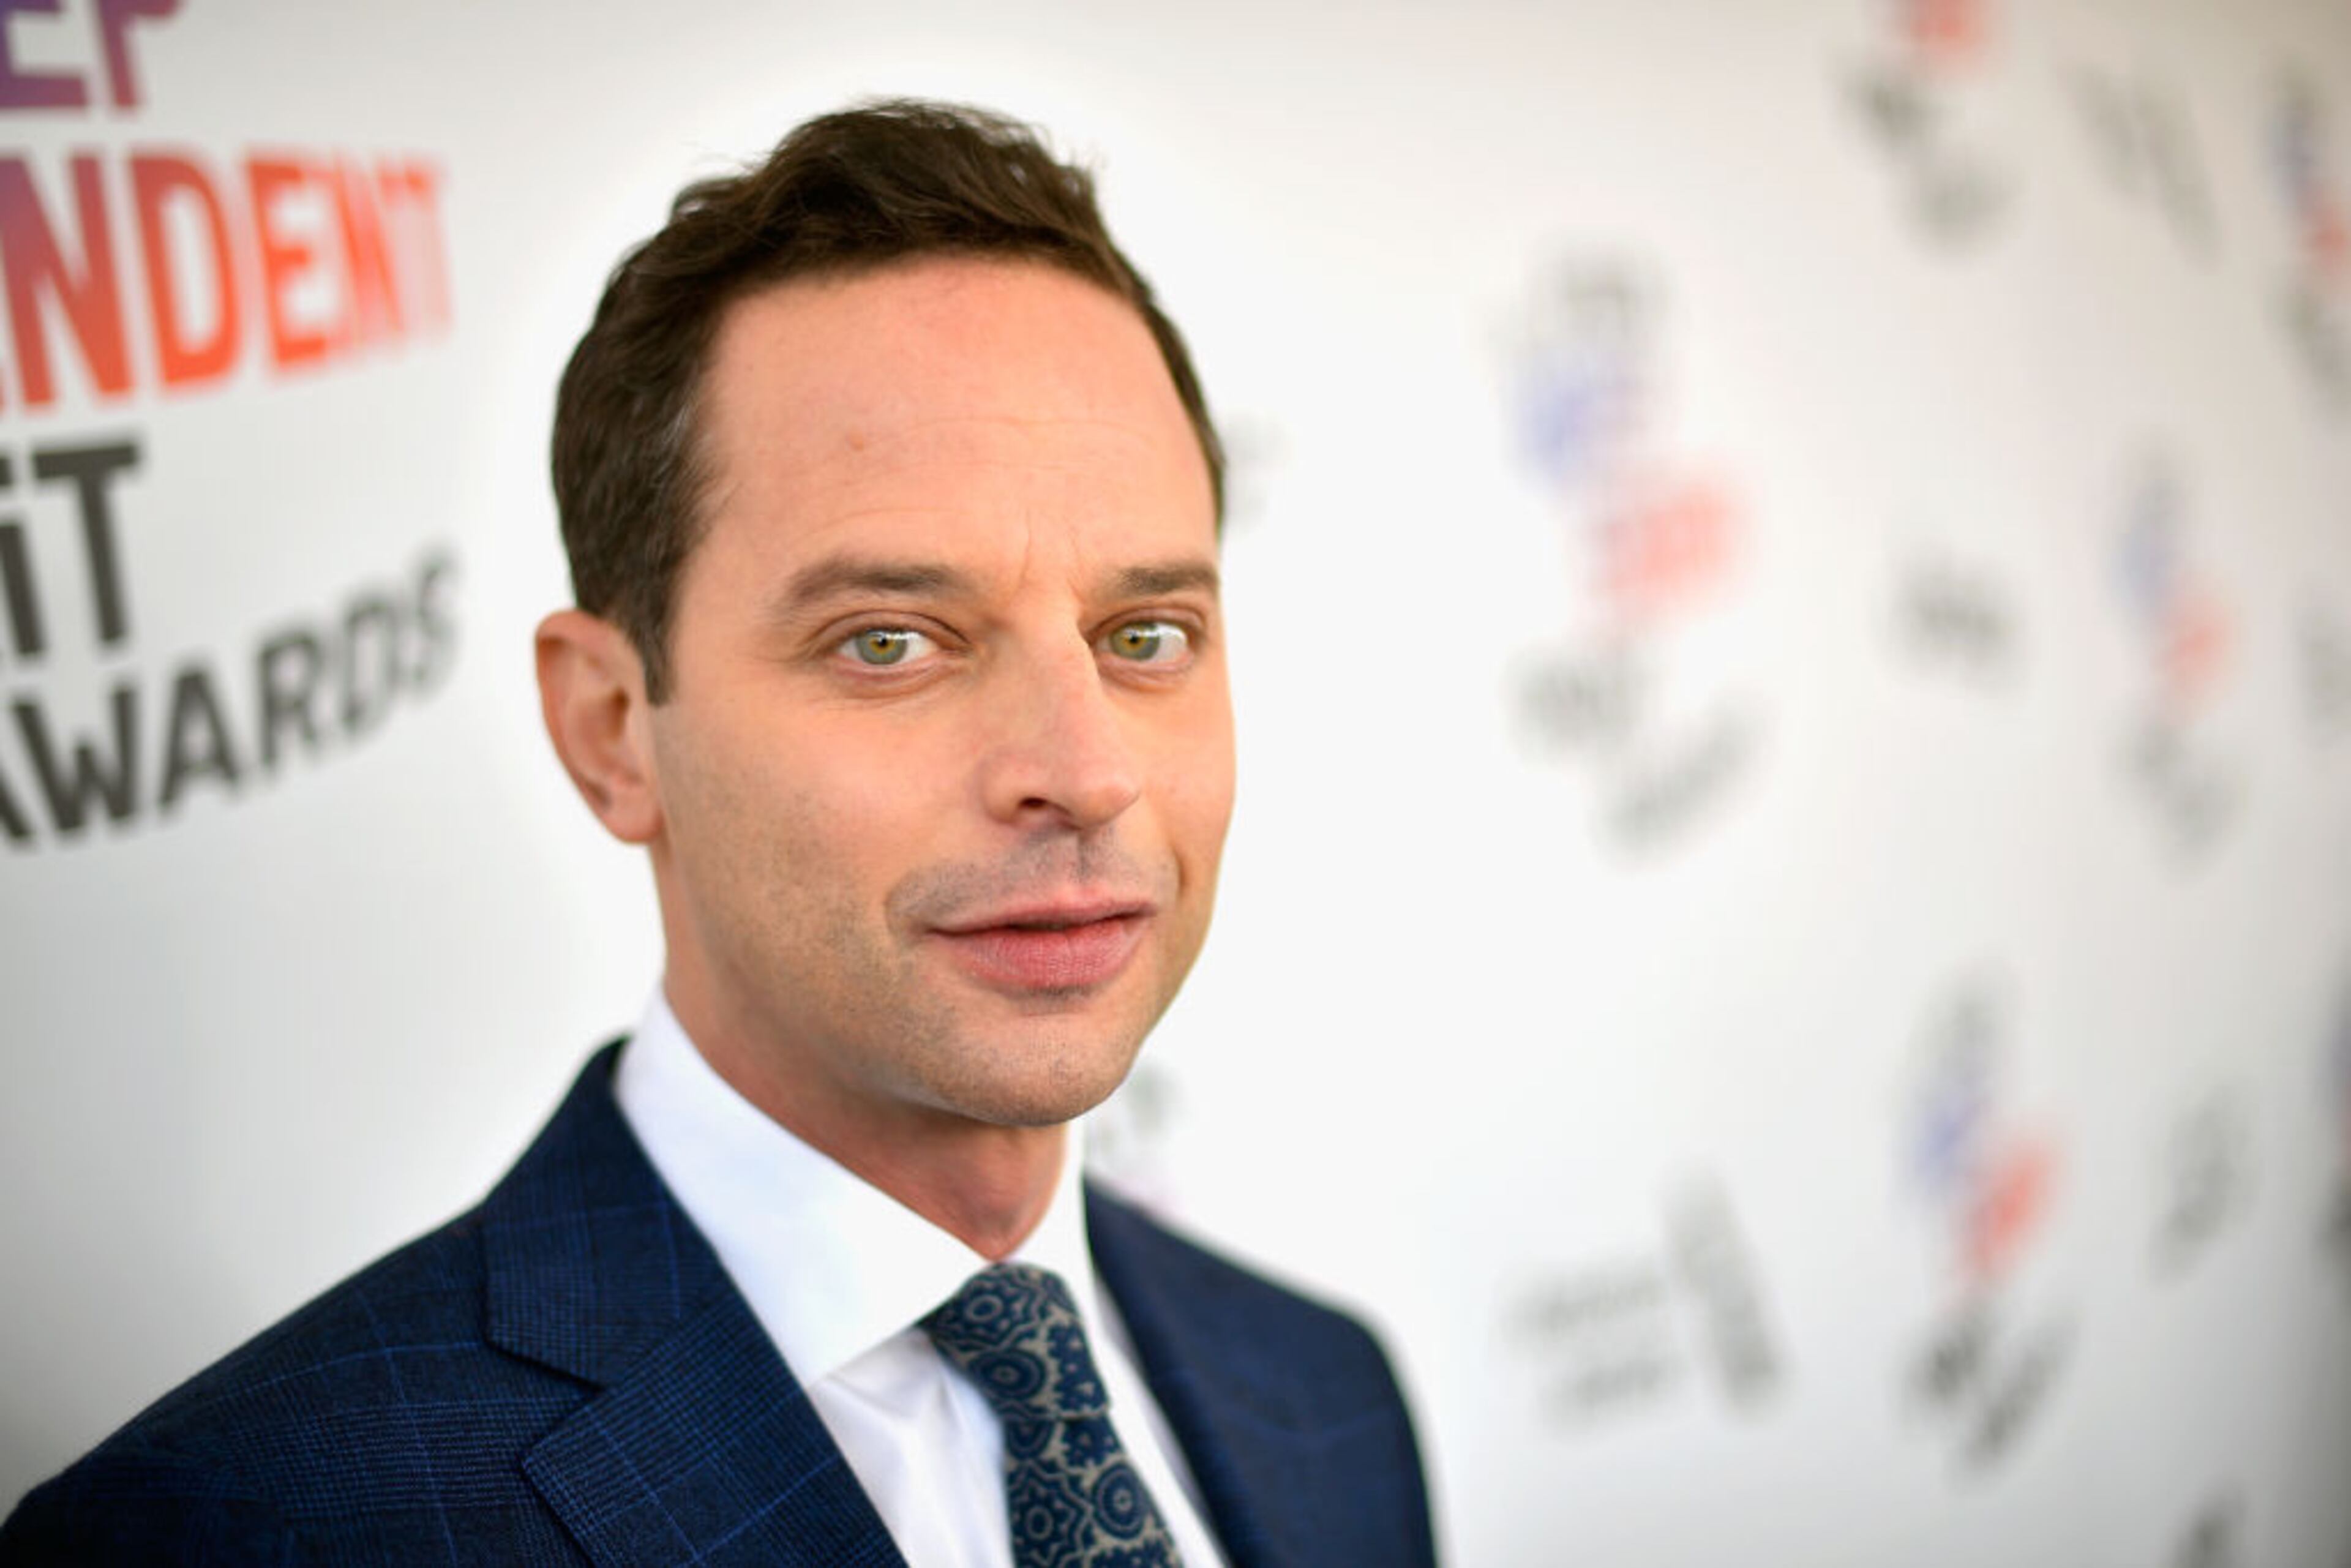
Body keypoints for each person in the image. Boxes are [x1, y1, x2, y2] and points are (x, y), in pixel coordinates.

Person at [0, 100, 1437, 1566]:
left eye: (1146, 632)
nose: (1084, 770)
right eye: (892, 642)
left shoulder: (1325, 1402)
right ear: (614, 729)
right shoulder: (236, 1529)